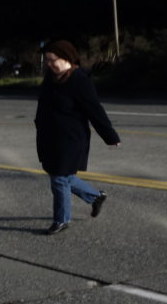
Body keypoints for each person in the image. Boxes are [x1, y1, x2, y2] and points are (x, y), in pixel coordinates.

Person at [34, 40, 120, 235]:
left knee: (59, 178)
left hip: (71, 139)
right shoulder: (51, 77)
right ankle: (96, 197)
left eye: (52, 60)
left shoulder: (80, 80)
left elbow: (95, 110)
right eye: (46, 60)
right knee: (64, 177)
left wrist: (110, 136)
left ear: (66, 58)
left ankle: (61, 220)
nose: (48, 64)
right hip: (49, 137)